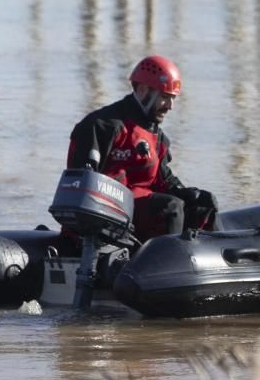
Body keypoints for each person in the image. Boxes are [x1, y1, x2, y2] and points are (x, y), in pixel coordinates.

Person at [67, 55, 218, 243]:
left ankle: (211, 260)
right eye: (164, 97)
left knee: (204, 203)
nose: (170, 106)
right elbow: (81, 180)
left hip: (141, 208)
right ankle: (163, 264)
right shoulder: (103, 126)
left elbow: (163, 180)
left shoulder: (159, 138)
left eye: (173, 99)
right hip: (108, 211)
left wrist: (186, 193)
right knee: (171, 208)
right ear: (143, 89)